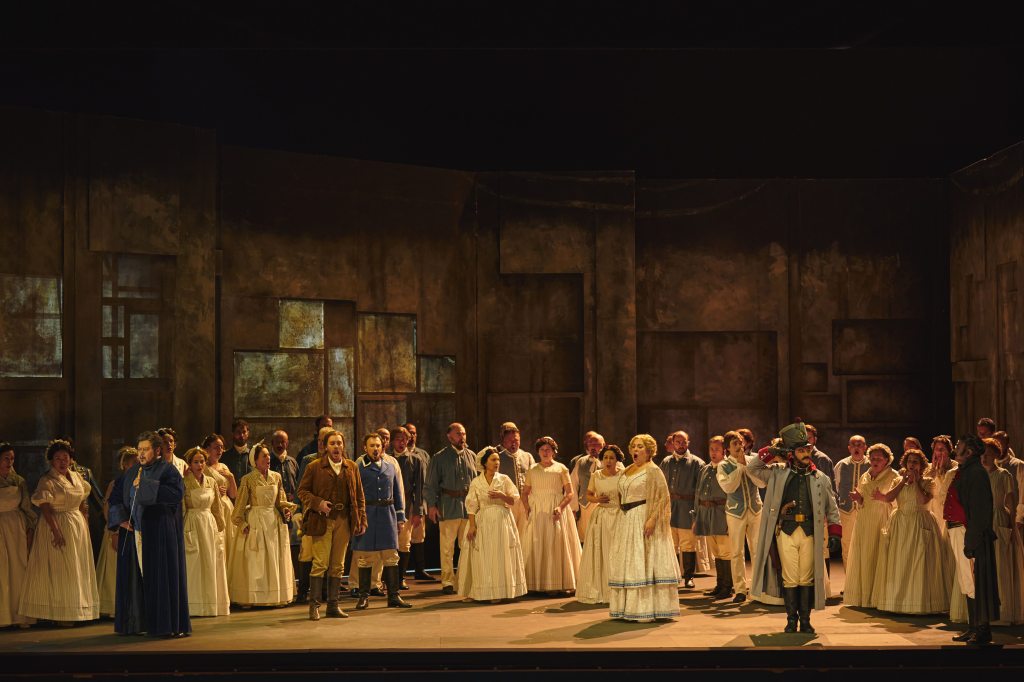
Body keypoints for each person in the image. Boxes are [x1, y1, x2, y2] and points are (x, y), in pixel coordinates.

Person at [746, 422, 842, 634]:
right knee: (790, 578)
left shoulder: (821, 478)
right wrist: (771, 451)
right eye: (801, 450)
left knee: (805, 578)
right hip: (785, 531)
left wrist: (835, 533)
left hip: (810, 532)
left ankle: (805, 621)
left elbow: (832, 508)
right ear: (791, 453)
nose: (806, 453)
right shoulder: (778, 473)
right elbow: (752, 468)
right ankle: (791, 621)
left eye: (807, 449)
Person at [107, 431, 190, 637]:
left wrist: (145, 486)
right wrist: (121, 519)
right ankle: (135, 623)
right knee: (135, 579)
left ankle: (163, 625)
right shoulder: (132, 472)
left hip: (158, 532)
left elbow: (176, 494)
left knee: (159, 578)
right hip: (133, 532)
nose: (141, 454)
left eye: (146, 449)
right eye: (140, 449)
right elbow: (115, 497)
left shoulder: (168, 470)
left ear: (157, 450)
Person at [18, 439, 99, 625]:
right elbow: (45, 507)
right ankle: (60, 614)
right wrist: (56, 531)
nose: (62, 462)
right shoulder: (47, 480)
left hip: (76, 524)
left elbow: (82, 501)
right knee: (61, 569)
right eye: (58, 458)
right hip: (57, 523)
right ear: (51, 461)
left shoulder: (77, 477)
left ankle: (76, 610)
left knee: (76, 568)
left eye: (65, 458)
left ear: (71, 459)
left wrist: (85, 524)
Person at [608, 434, 679, 622]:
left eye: (640, 447)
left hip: (642, 516)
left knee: (643, 561)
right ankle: (626, 608)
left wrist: (652, 520)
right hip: (626, 519)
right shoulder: (628, 469)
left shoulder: (653, 470)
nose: (636, 450)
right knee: (629, 561)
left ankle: (645, 609)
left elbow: (663, 497)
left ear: (649, 451)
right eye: (634, 446)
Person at [871, 449, 951, 614]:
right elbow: (888, 498)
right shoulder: (898, 480)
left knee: (919, 561)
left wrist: (915, 483)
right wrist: (903, 482)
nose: (912, 465)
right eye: (909, 461)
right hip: (901, 524)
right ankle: (897, 602)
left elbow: (923, 500)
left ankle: (919, 603)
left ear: (921, 465)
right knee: (900, 561)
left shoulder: (928, 482)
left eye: (915, 462)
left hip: (919, 522)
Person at [297, 429, 365, 620]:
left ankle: (333, 605)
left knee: (338, 565)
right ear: (325, 447)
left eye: (339, 443)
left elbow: (359, 496)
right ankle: (314, 605)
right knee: (320, 563)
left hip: (344, 519)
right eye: (332, 443)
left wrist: (361, 519)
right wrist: (318, 503)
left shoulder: (351, 467)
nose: (336, 447)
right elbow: (302, 491)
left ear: (344, 446)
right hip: (322, 520)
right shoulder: (315, 466)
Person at [229, 441, 297, 607]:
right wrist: (242, 523)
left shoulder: (276, 476)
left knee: (274, 557)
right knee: (256, 559)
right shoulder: (248, 479)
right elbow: (239, 506)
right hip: (256, 521)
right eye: (264, 456)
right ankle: (253, 597)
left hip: (273, 522)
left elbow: (280, 501)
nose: (268, 458)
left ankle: (275, 595)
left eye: (268, 455)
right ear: (255, 460)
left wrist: (286, 510)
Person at [457, 447, 527, 602]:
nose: (497, 462)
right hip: (483, 521)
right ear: (485, 463)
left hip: (502, 521)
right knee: (483, 556)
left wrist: (502, 495)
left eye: (498, 460)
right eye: (493, 460)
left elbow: (514, 499)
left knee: (500, 555)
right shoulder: (476, 482)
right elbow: (471, 505)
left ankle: (500, 591)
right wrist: (472, 525)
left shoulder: (504, 479)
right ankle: (480, 592)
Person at [949, 434, 1000, 645]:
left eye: (959, 445)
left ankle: (982, 629)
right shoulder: (966, 471)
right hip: (959, 530)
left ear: (969, 452)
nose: (956, 447)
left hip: (968, 532)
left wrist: (971, 541)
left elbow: (980, 511)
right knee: (966, 581)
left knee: (973, 582)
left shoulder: (976, 473)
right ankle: (973, 627)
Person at [352, 433, 410, 610]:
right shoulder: (358, 467)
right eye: (372, 446)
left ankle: (394, 596)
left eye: (378, 445)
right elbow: (353, 495)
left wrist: (400, 518)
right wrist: (357, 518)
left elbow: (397, 493)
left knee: (391, 556)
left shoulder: (390, 466)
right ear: (365, 448)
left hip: (387, 515)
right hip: (367, 515)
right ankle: (363, 596)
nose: (375, 449)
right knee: (365, 557)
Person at [521, 436, 581, 594]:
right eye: (542, 450)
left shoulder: (561, 468)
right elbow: (525, 493)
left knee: (556, 543)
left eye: (548, 449)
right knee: (537, 542)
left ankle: (558, 583)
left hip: (556, 507)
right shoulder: (532, 469)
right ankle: (535, 583)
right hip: (538, 509)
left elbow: (570, 493)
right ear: (538, 452)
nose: (545, 452)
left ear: (553, 451)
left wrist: (560, 507)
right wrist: (527, 508)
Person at [842, 443, 898, 608]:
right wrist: (858, 498)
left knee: (877, 555)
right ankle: (863, 597)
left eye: (879, 458)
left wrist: (884, 498)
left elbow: (899, 500)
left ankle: (876, 598)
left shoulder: (893, 475)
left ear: (887, 460)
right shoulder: (866, 475)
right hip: (864, 520)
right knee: (864, 556)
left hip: (881, 519)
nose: (875, 461)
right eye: (872, 458)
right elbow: (863, 497)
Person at [425, 423, 478, 594]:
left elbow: (478, 483)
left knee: (467, 545)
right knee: (447, 547)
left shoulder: (472, 456)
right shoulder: (439, 457)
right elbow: (430, 484)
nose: (462, 437)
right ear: (449, 437)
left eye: (463, 434)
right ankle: (447, 581)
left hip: (468, 507)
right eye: (458, 434)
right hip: (448, 506)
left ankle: (466, 579)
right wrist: (432, 505)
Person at [717, 430, 765, 604]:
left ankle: (758, 588)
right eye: (734, 444)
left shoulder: (753, 460)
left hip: (755, 509)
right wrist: (739, 466)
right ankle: (740, 590)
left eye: (740, 442)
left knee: (757, 550)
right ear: (728, 448)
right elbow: (729, 487)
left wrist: (746, 465)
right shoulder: (723, 465)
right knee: (737, 552)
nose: (739, 446)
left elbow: (761, 483)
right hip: (735, 512)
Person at [182, 447, 230, 617]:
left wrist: (220, 527)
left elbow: (217, 506)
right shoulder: (184, 482)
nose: (200, 465)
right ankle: (194, 606)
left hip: (209, 523)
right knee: (194, 564)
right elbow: (182, 507)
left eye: (202, 461)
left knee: (211, 562)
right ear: (190, 464)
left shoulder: (211, 482)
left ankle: (211, 605)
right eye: (196, 462)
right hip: (192, 522)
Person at [981, 438, 1023, 625]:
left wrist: (1013, 525)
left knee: (1000, 563)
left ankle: (1003, 612)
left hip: (998, 518)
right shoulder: (979, 474)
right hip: (983, 518)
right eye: (982, 454)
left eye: (988, 454)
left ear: (996, 455)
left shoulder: (1003, 474)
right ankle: (985, 611)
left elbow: (1011, 501)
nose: (984, 458)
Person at [576, 444, 624, 605]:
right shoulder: (596, 475)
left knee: (616, 552)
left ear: (617, 460)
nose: (608, 461)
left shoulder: (623, 474)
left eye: (611, 458)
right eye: (605, 458)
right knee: (602, 551)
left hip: (618, 516)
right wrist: (597, 499)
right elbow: (588, 494)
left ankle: (618, 589)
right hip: (602, 516)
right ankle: (601, 588)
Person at [295, 426, 335, 603]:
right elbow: (301, 487)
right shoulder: (309, 460)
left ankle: (325, 591)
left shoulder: (339, 461)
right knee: (307, 552)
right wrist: (299, 510)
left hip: (331, 513)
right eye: (319, 440)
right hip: (311, 511)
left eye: (324, 440)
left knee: (327, 553)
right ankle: (303, 591)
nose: (321, 443)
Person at [97, 446, 137, 618]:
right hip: (119, 530)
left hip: (134, 531)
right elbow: (109, 509)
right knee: (116, 570)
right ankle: (116, 606)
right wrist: (115, 532)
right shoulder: (117, 484)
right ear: (125, 465)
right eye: (133, 463)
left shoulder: (139, 482)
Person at [660, 430, 702, 588]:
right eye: (678, 442)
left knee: (688, 544)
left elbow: (700, 490)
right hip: (669, 508)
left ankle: (689, 577)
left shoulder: (697, 463)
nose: (681, 445)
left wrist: (697, 512)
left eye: (684, 442)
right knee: (671, 544)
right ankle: (674, 576)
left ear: (688, 443)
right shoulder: (666, 462)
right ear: (673, 443)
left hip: (687, 509)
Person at [0, 442, 35, 628]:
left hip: (15, 526)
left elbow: (26, 507)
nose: (9, 462)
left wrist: (30, 528)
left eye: (12, 458)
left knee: (17, 567)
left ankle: (20, 616)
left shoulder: (19, 481)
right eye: (6, 458)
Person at [695, 436, 732, 600]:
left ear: (724, 451)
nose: (713, 452)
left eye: (717, 449)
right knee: (716, 552)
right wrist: (697, 517)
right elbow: (698, 494)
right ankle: (720, 584)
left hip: (722, 514)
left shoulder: (728, 468)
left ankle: (728, 586)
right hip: (707, 515)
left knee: (726, 552)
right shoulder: (705, 469)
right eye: (711, 449)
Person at [392, 426, 425, 590]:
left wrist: (418, 511)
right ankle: (386, 578)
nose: (402, 442)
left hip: (408, 505)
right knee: (388, 545)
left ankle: (400, 578)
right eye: (398, 439)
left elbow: (419, 488)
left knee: (404, 543)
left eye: (404, 439)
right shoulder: (388, 459)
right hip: (389, 505)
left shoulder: (415, 460)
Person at [486, 422, 534, 536]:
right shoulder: (496, 456)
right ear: (503, 440)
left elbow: (533, 479)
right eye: (510, 440)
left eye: (516, 440)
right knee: (508, 535)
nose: (513, 443)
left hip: (525, 502)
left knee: (525, 535)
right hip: (506, 502)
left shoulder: (527, 456)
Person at [403, 421, 436, 580]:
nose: (412, 436)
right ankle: (400, 574)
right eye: (409, 432)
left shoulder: (422, 455)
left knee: (419, 535)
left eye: (414, 433)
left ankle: (419, 570)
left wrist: (427, 504)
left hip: (420, 501)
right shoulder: (398, 455)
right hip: (405, 501)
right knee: (403, 538)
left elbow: (428, 479)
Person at [202, 434, 237, 578]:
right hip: (213, 510)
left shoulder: (224, 467)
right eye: (216, 447)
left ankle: (229, 579)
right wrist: (215, 491)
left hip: (227, 508)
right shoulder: (203, 468)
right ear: (207, 449)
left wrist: (231, 477)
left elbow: (233, 494)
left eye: (222, 447)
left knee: (230, 544)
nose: (220, 450)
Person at [833, 435, 869, 564]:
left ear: (865, 447)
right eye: (853, 445)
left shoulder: (871, 464)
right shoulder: (841, 464)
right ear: (849, 448)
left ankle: (864, 575)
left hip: (866, 511)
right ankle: (848, 575)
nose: (856, 448)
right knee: (847, 545)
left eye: (859, 445)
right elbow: (835, 488)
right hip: (846, 511)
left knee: (866, 545)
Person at [569, 431, 606, 540]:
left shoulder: (612, 459)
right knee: (586, 537)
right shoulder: (581, 461)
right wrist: (573, 508)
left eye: (597, 444)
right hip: (585, 506)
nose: (593, 447)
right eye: (591, 444)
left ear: (603, 445)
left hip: (604, 505)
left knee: (602, 537)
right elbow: (573, 484)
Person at [926, 435, 958, 538]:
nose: (939, 453)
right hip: (933, 508)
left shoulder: (955, 467)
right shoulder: (928, 468)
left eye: (942, 449)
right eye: (936, 449)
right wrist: (932, 473)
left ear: (949, 451)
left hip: (948, 509)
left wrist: (942, 473)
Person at [992, 431, 1024, 532]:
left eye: (1000, 444)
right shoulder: (990, 465)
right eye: (995, 444)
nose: (998, 447)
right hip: (995, 518)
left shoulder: (1018, 465)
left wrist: (1019, 518)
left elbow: (1022, 492)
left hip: (1013, 517)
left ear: (1007, 445)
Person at [221, 418, 252, 485]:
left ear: (248, 433)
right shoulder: (224, 456)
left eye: (244, 432)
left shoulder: (254, 455)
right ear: (233, 433)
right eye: (238, 432)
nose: (241, 435)